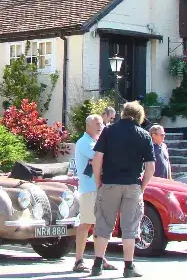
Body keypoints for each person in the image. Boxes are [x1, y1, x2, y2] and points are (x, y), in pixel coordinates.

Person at [91, 101, 155, 278]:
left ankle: (97, 264)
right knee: (130, 228)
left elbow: (97, 159)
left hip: (110, 183)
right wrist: (141, 187)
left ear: (123, 113)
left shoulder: (108, 131)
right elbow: (150, 168)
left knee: (103, 224)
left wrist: (98, 182)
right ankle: (128, 267)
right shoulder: (144, 135)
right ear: (139, 115)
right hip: (132, 185)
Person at [71, 114, 115, 273]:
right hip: (89, 190)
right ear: (88, 126)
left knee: (100, 225)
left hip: (99, 189)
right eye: (96, 123)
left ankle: (100, 258)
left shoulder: (97, 142)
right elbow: (101, 158)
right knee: (85, 224)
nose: (100, 126)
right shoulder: (84, 143)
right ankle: (78, 260)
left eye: (102, 124)